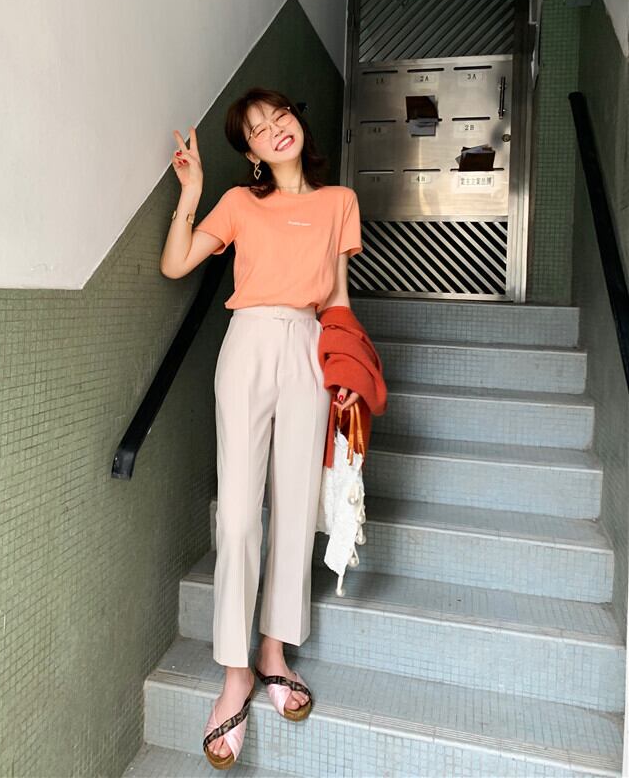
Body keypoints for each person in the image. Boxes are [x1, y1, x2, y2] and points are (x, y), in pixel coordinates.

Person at [159, 87, 363, 769]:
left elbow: (337, 297)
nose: (275, 129)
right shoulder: (240, 204)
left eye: (281, 117)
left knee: (296, 510)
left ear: (298, 122)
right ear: (249, 151)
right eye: (257, 128)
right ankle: (234, 672)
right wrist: (192, 192)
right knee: (240, 517)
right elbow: (176, 263)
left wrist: (345, 369)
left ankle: (274, 651)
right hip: (246, 345)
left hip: (308, 345)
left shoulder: (339, 203)